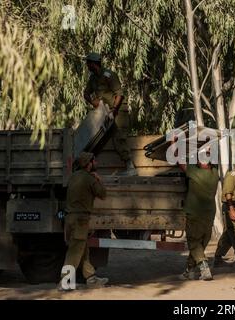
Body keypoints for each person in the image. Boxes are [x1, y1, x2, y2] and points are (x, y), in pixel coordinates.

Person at [59, 152, 108, 290]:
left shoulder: (73, 177)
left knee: (82, 249)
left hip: (70, 219)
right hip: (80, 220)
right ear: (89, 164)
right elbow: (103, 194)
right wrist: (98, 180)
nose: (96, 163)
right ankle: (65, 281)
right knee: (75, 251)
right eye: (94, 161)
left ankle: (91, 278)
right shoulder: (89, 178)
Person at [83, 52, 136, 176]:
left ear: (93, 64)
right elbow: (85, 93)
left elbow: (119, 94)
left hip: (118, 111)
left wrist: (114, 111)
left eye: (88, 63)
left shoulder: (108, 75)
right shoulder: (93, 79)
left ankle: (130, 167)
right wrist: (93, 101)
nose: (87, 66)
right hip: (105, 112)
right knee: (98, 138)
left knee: (119, 138)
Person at [178, 152, 219, 281]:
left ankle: (204, 266)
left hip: (195, 213)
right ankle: (189, 270)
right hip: (209, 214)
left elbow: (180, 161)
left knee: (193, 241)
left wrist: (173, 143)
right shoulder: (215, 173)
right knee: (200, 243)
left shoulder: (195, 172)